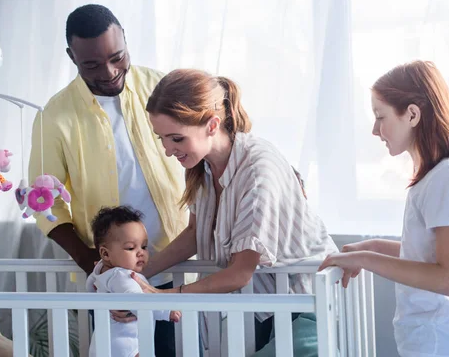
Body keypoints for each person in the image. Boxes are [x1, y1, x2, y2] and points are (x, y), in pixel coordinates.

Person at [111, 68, 338, 354]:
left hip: (308, 304)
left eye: (176, 139)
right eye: (162, 139)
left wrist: (163, 297)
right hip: (270, 306)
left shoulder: (257, 170)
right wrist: (139, 276)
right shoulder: (203, 167)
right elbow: (195, 233)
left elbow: (240, 273)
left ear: (211, 124)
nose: (168, 150)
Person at [28, 4, 186, 356]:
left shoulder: (162, 88)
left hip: (179, 265)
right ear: (72, 57)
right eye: (92, 65)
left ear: (126, 40)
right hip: (115, 282)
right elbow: (44, 205)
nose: (110, 72)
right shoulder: (55, 116)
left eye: (117, 57)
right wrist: (97, 269)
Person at [319, 61, 449, 357]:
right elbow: (427, 255)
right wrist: (372, 247)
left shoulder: (446, 179)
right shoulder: (432, 180)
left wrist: (366, 258)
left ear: (412, 114)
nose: (375, 130)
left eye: (380, 116)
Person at [86, 206, 181, 357]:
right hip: (127, 345)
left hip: (103, 342)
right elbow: (139, 301)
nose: (140, 252)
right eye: (130, 248)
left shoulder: (100, 271)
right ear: (105, 253)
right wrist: (167, 311)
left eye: (144, 246)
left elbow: (90, 287)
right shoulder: (123, 276)